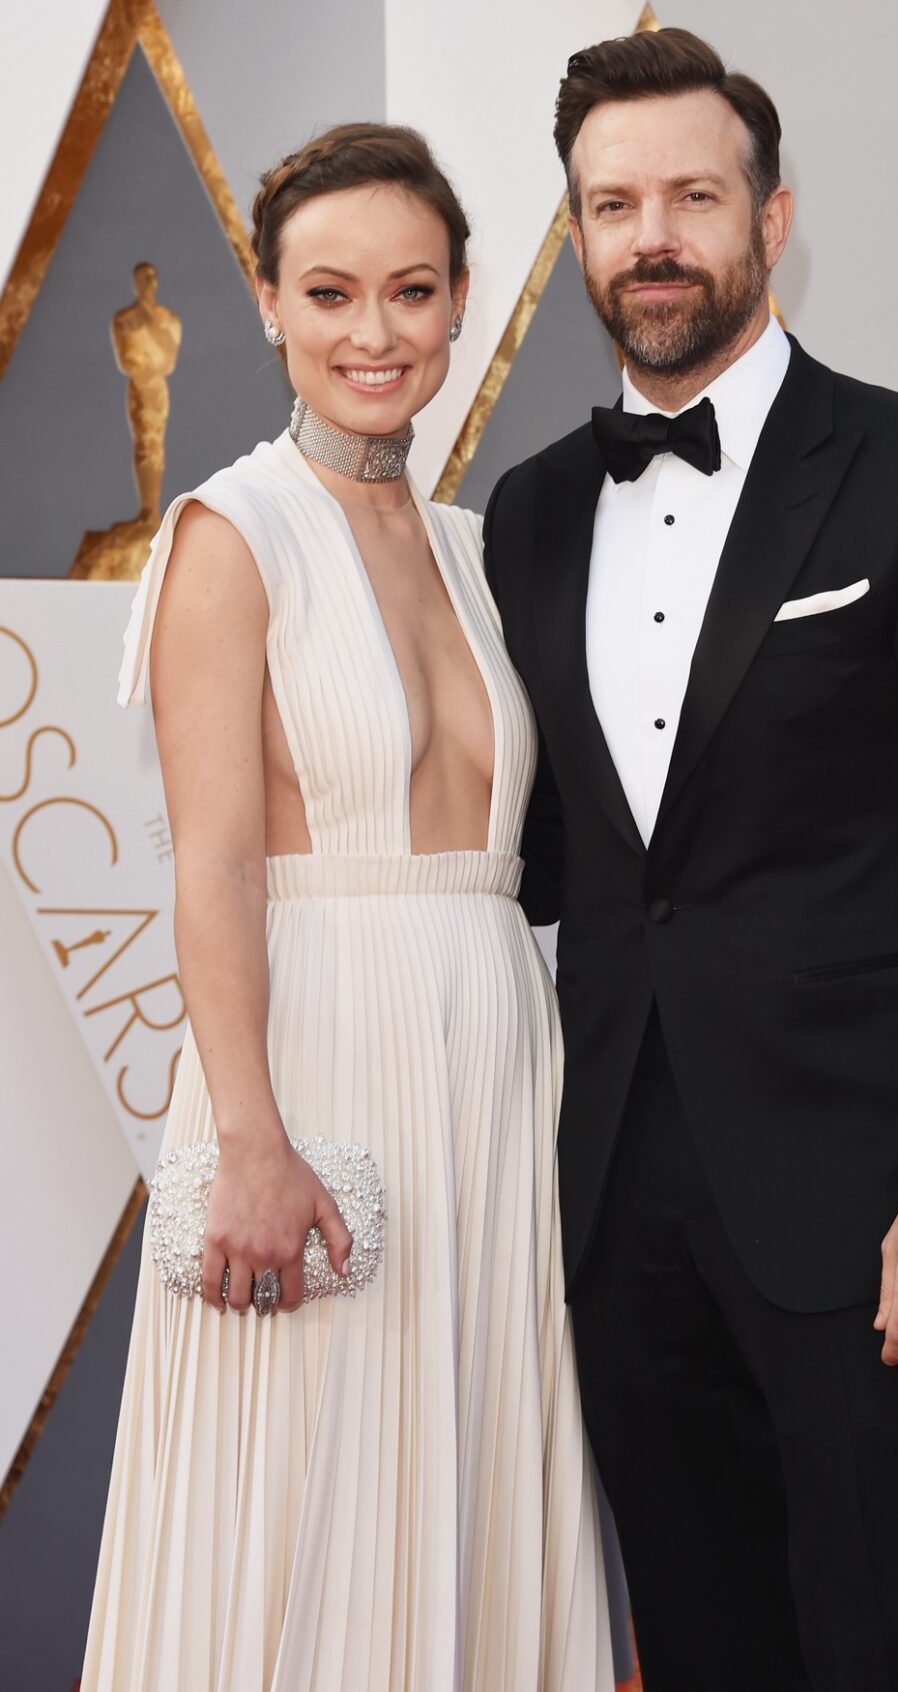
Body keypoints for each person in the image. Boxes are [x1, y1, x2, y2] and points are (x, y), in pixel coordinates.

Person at [483, 30, 898, 1692]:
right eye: (613, 203)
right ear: (580, 235)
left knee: (886, 1649)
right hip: (613, 1211)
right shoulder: (527, 513)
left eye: (691, 194)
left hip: (868, 1209)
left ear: (773, 216)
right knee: (703, 1647)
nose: (651, 234)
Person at [82, 123, 612, 1692]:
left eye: (409, 292)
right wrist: (247, 1138)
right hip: (315, 1073)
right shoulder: (229, 538)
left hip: (496, 1062)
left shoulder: (476, 546)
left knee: (477, 1468)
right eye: (329, 294)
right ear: (265, 303)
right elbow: (216, 867)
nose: (371, 335)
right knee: (304, 1491)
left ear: (460, 306)